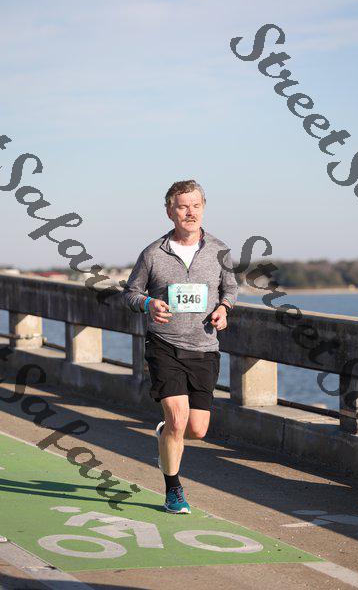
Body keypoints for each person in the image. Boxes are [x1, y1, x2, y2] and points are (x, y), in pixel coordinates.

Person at [121, 180, 238, 514]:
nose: (190, 212)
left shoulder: (219, 250)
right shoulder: (153, 254)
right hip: (165, 345)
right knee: (177, 418)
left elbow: (230, 289)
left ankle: (166, 436)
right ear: (169, 211)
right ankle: (174, 491)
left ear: (204, 207)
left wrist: (224, 309)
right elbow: (130, 293)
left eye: (196, 205)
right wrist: (148, 304)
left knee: (197, 430)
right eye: (183, 206)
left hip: (204, 348)